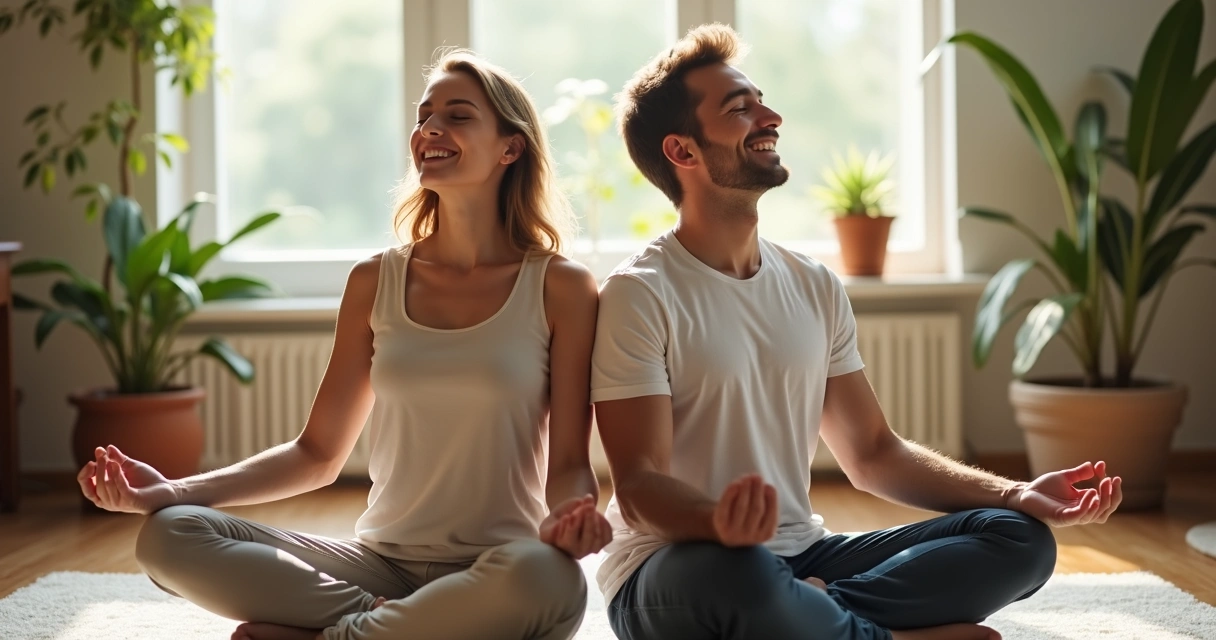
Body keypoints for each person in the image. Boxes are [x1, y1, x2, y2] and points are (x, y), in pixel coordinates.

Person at [590, 24, 1122, 640]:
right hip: (675, 568)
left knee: (1019, 539)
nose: (771, 116)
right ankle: (859, 629)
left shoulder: (813, 283)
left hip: (805, 560)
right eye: (741, 109)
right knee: (738, 579)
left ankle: (820, 618)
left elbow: (872, 453)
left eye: (760, 99)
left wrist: (1018, 492)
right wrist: (721, 526)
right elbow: (638, 489)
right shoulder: (640, 293)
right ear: (682, 152)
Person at [77, 49, 611, 640]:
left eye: (458, 116)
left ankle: (345, 634)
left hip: (497, 567)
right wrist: (173, 490)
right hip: (377, 565)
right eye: (424, 115)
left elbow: (567, 465)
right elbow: (317, 455)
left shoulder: (560, 286)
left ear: (511, 147)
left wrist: (572, 516)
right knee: (168, 535)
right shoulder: (374, 280)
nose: (430, 129)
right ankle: (382, 628)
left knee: (552, 579)